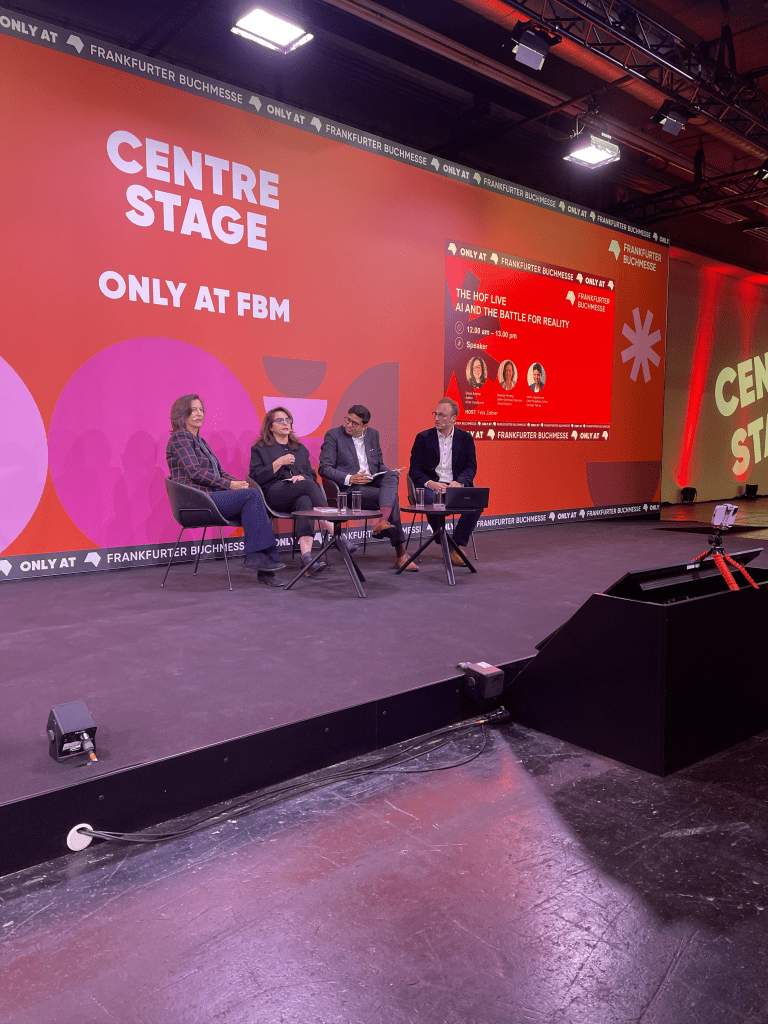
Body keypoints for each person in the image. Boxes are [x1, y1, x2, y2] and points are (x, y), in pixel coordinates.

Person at [166, 394, 285, 587]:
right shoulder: (181, 438)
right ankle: (260, 561)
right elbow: (195, 472)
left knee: (254, 495)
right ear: (182, 414)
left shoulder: (201, 441)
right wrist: (229, 486)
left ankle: (265, 566)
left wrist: (238, 483)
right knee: (252, 497)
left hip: (211, 496)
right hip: (196, 500)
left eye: (201, 409)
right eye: (193, 409)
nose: (199, 414)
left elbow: (219, 472)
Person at [319, 405, 418, 571]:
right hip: (349, 491)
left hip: (371, 484)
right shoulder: (334, 435)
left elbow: (379, 466)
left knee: (391, 475)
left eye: (354, 423)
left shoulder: (373, 435)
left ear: (365, 426)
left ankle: (383, 522)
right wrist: (350, 478)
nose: (349, 425)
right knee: (392, 497)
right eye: (347, 420)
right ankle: (400, 553)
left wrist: (390, 472)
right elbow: (324, 468)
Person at [249, 407, 338, 576]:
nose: (285, 423)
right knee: (307, 487)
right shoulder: (260, 448)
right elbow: (255, 477)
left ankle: (306, 559)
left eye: (288, 420)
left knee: (305, 499)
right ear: (271, 427)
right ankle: (334, 530)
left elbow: (311, 474)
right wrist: (278, 463)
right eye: (280, 420)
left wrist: (302, 477)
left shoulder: (299, 448)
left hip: (296, 494)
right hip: (273, 494)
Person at [409, 398, 480, 566]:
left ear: (453, 418)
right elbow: (414, 470)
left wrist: (460, 483)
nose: (437, 418)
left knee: (477, 501)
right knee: (429, 500)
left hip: (455, 486)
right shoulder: (423, 438)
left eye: (442, 415)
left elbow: (471, 467)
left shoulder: (465, 438)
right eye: (435, 414)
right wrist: (430, 483)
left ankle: (457, 544)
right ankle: (449, 547)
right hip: (431, 487)